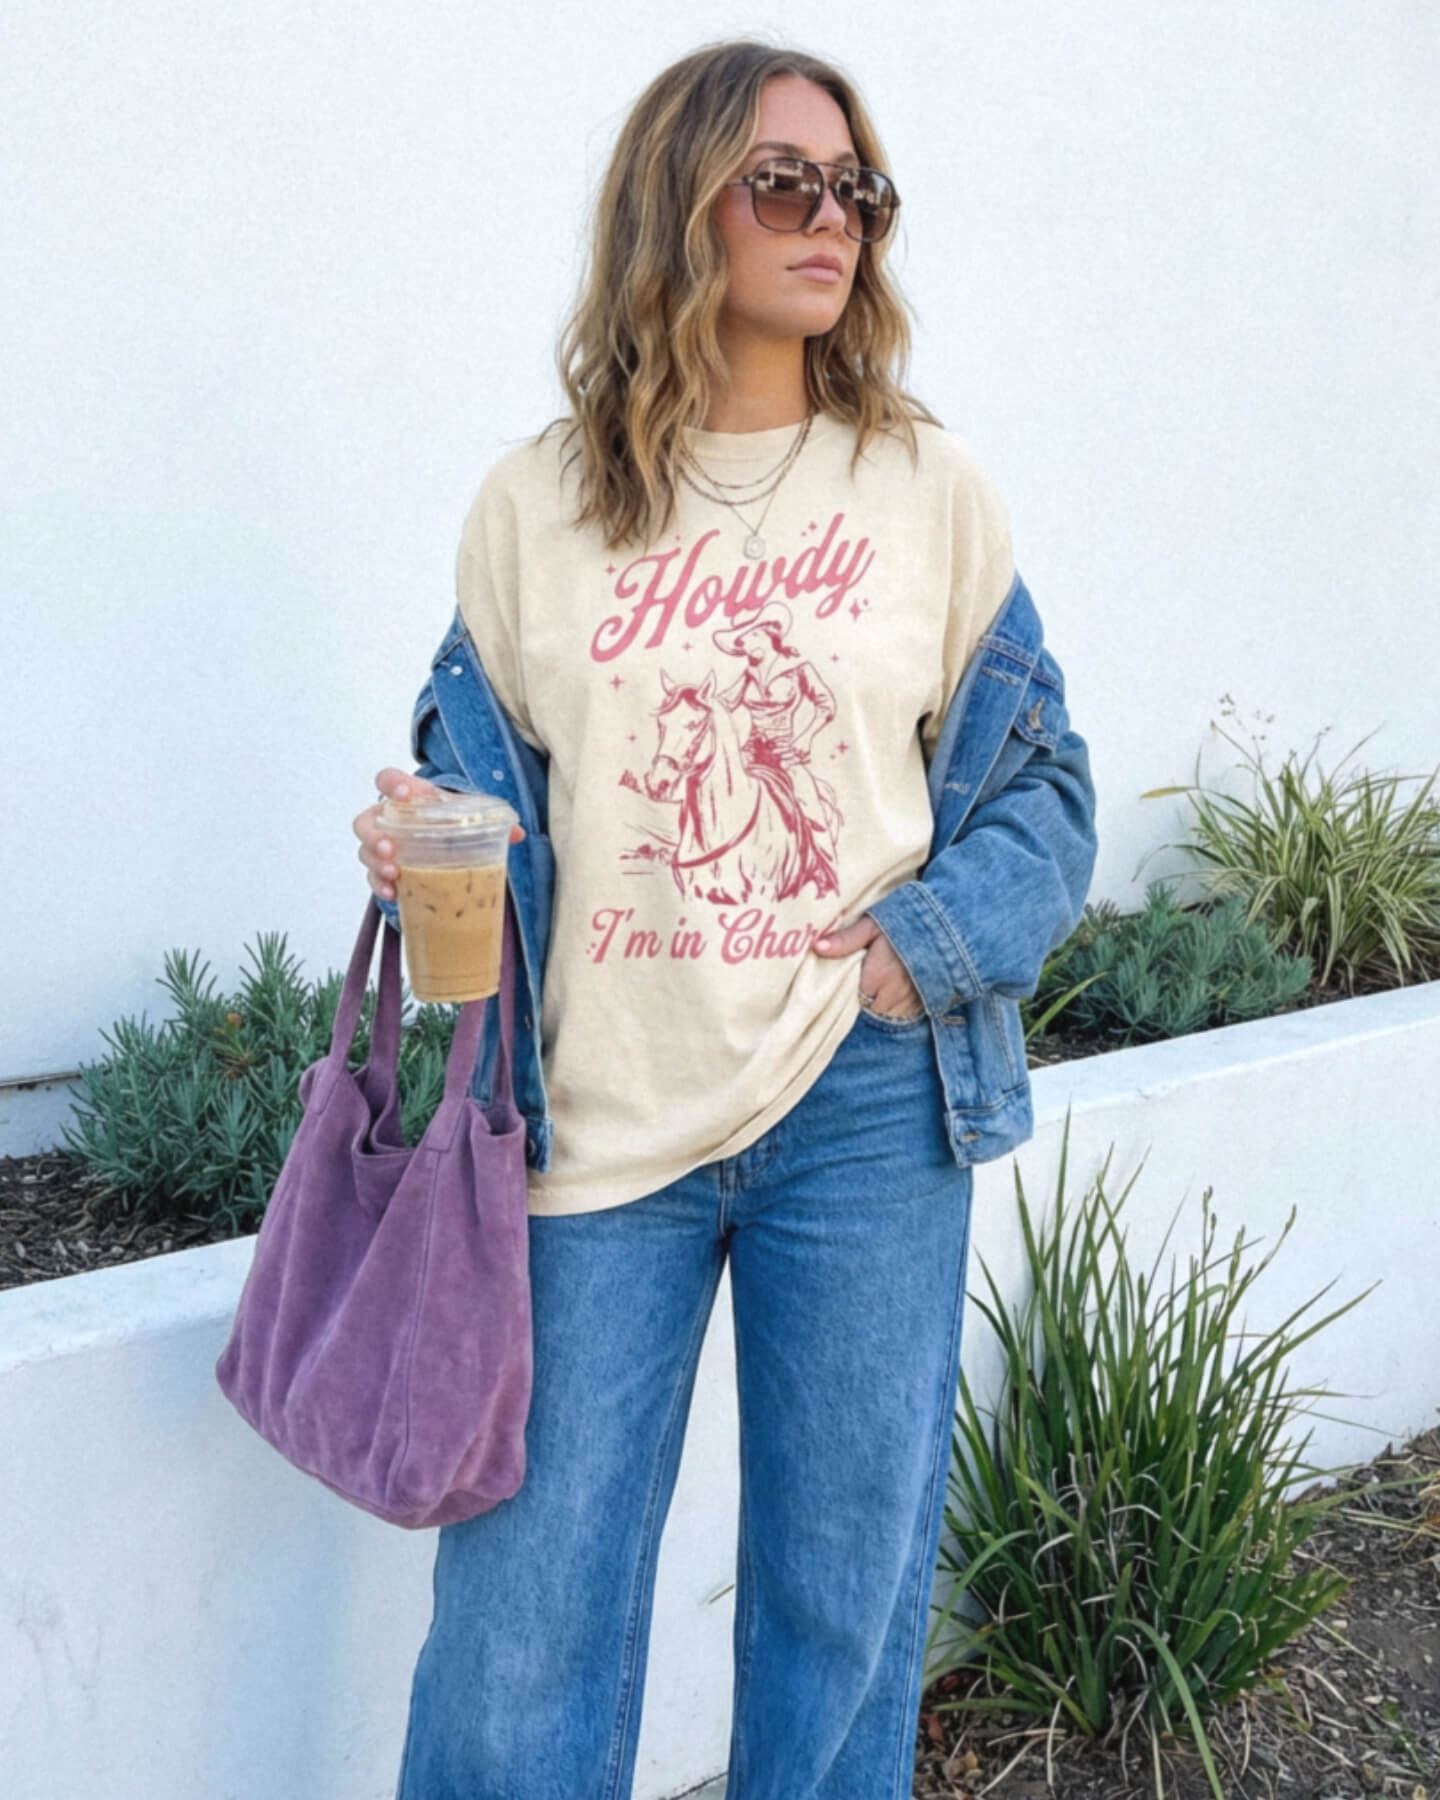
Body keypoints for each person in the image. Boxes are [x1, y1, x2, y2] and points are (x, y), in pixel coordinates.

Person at [352, 39, 1097, 1800]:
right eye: (783, 182)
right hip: (603, 1120)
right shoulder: (538, 504)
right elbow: (493, 804)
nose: (830, 219)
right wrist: (429, 847)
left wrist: (927, 952)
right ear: (678, 207)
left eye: (857, 190)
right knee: (524, 1614)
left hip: (856, 1107)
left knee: (843, 1602)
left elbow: (1049, 797)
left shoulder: (930, 488)